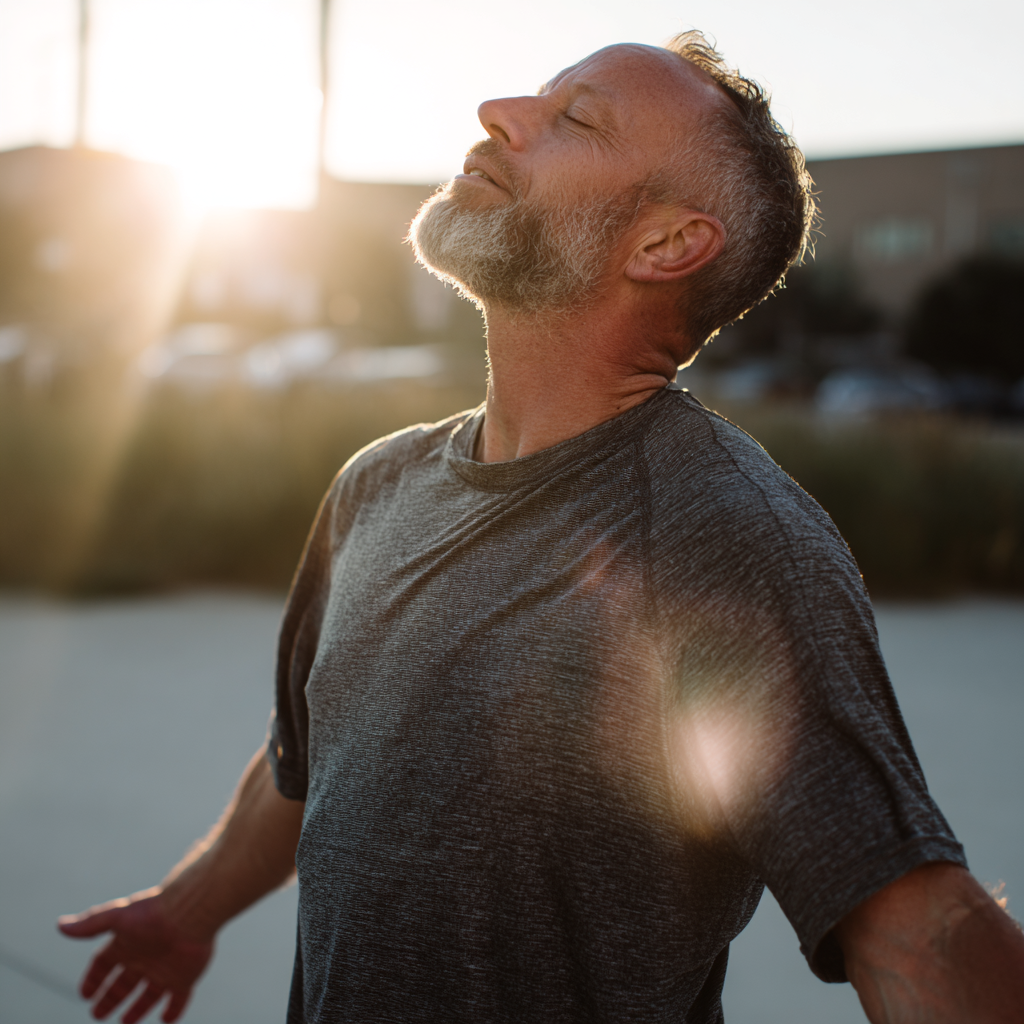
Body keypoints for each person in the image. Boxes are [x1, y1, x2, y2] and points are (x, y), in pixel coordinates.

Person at [59, 31, 1024, 1024]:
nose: (499, 111)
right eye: (539, 95)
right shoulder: (375, 488)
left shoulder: (727, 538)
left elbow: (918, 930)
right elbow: (308, 754)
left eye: (577, 118)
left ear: (662, 244)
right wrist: (188, 911)